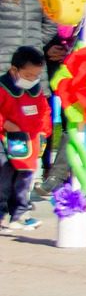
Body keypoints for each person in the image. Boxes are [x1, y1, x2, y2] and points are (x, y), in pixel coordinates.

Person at [0, 45, 51, 232]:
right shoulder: (3, 87)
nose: (32, 80)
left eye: (36, 76)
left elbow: (44, 112)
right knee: (4, 178)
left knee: (24, 179)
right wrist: (5, 124)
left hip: (28, 142)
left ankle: (20, 214)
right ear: (14, 70)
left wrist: (43, 133)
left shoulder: (36, 90)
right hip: (5, 140)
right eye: (28, 75)